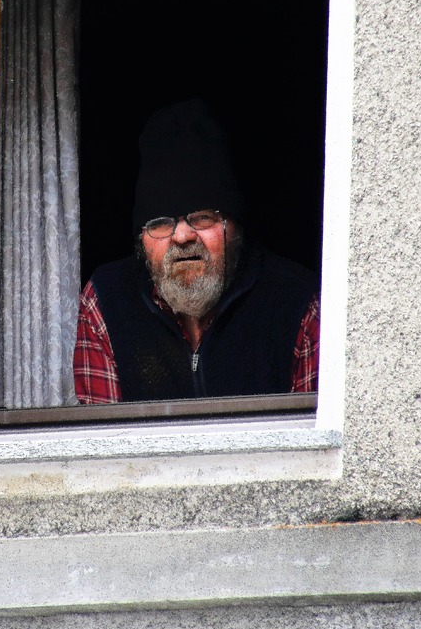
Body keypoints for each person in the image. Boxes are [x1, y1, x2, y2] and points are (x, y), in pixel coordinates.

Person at [73, 100, 320, 403]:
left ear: (234, 229)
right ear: (141, 239)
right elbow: (107, 445)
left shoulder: (296, 302)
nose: (182, 236)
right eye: (159, 223)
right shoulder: (105, 301)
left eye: (202, 217)